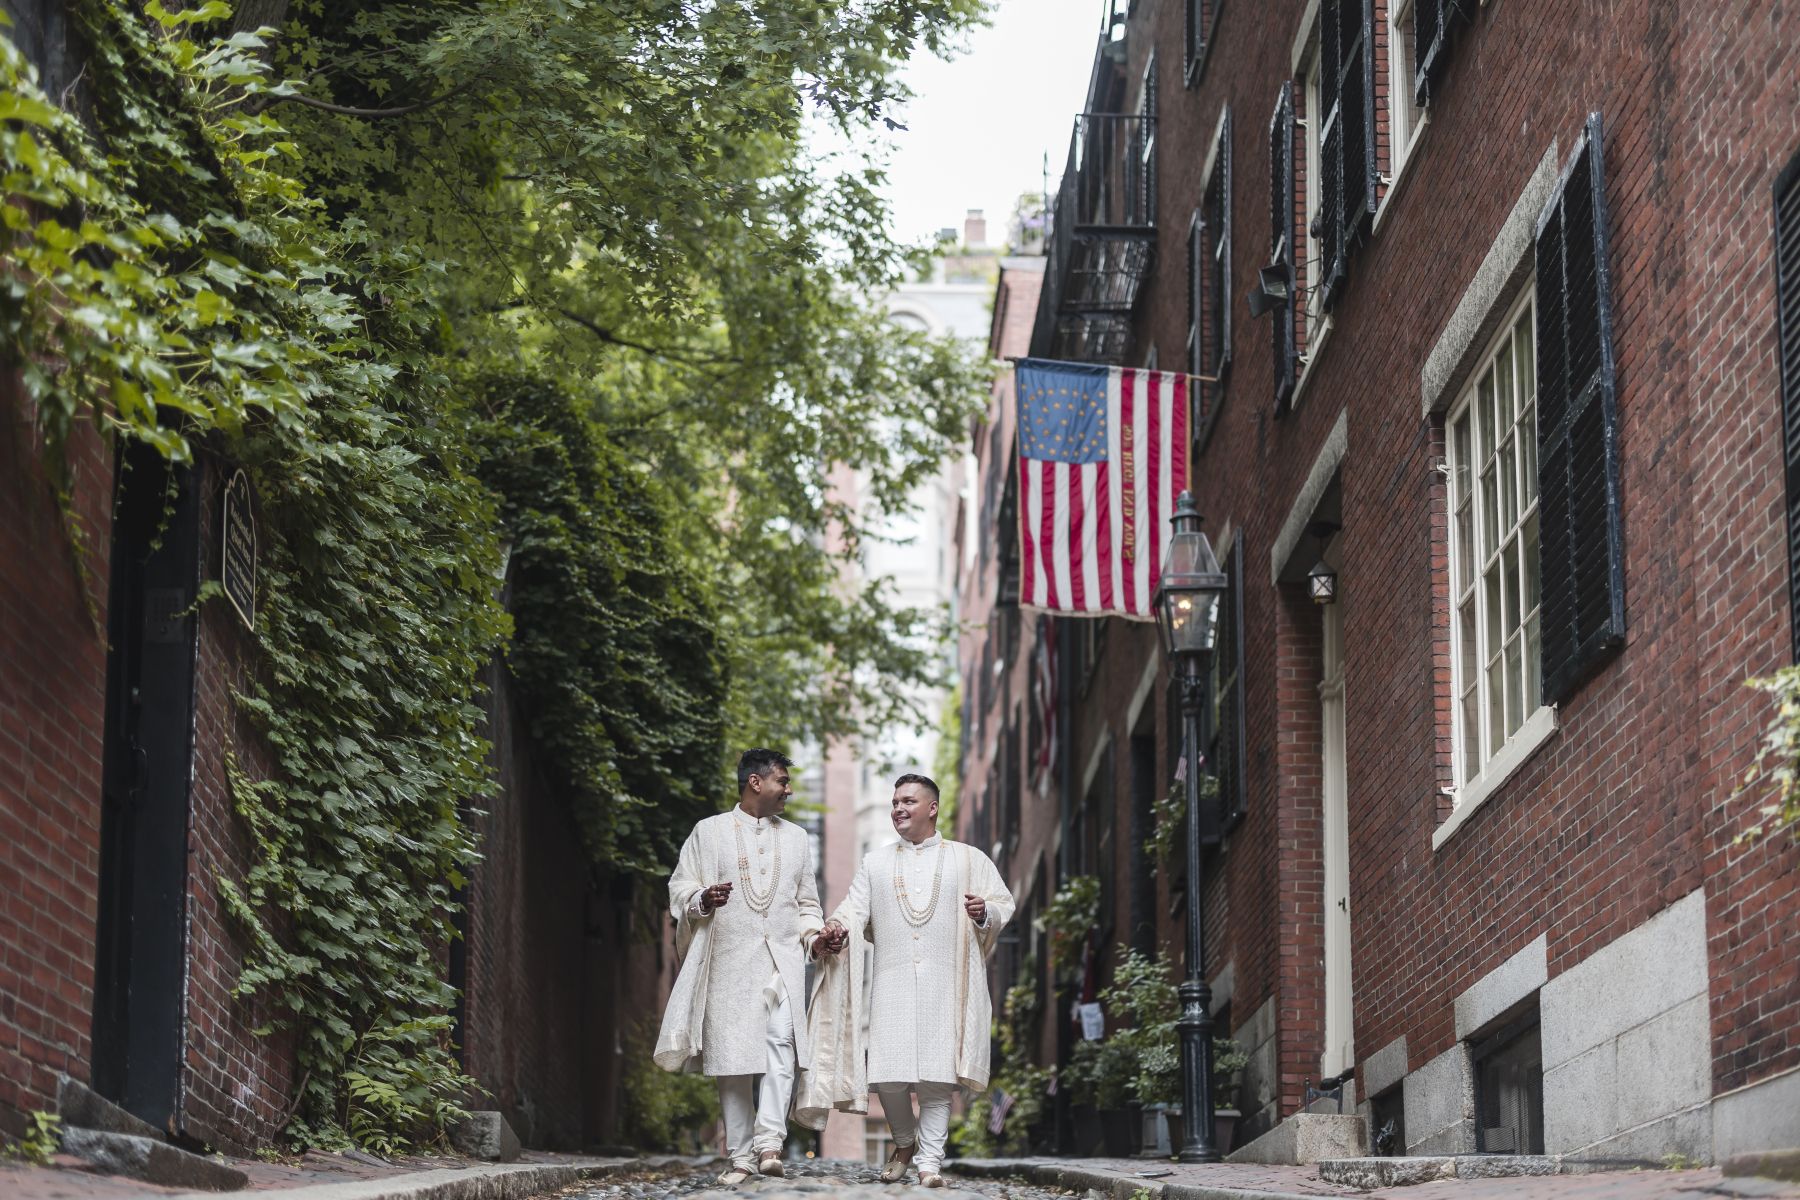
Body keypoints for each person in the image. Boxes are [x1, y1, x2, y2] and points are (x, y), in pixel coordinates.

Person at [814, 773, 1014, 1187]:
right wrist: (835, 926)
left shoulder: (968, 858)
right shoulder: (876, 862)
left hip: (947, 980)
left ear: (932, 808)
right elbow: (853, 909)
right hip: (893, 982)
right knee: (887, 1075)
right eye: (894, 803)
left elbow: (1000, 904)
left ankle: (929, 1164)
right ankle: (905, 1141)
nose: (898, 809)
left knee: (937, 1079)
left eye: (907, 801)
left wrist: (982, 913)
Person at [655, 749, 827, 1185]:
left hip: (783, 960)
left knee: (780, 1045)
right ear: (756, 782)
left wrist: (815, 935)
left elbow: (807, 903)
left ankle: (770, 1144)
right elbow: (680, 888)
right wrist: (702, 900)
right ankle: (740, 1156)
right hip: (729, 958)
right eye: (782, 781)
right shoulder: (708, 832)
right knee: (732, 1058)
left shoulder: (796, 838)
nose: (787, 789)